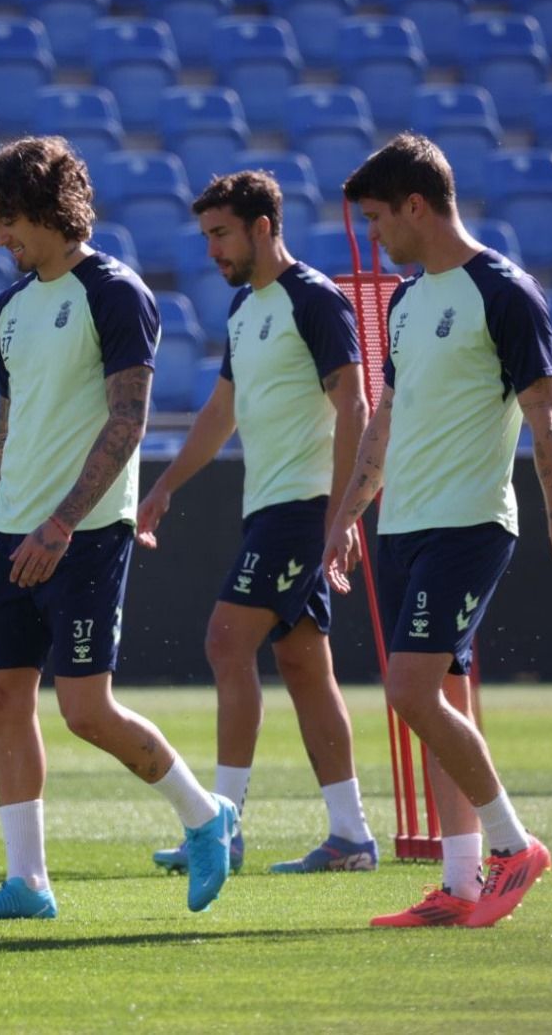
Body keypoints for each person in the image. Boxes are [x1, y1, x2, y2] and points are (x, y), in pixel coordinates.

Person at [0, 136, 236, 922]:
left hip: (84, 532)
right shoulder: (5, 307)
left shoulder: (116, 291)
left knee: (85, 711)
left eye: (6, 220)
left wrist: (60, 523)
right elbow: (10, 419)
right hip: (11, 531)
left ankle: (207, 818)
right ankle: (27, 883)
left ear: (45, 207)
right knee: (4, 697)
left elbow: (129, 419)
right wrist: (7, 504)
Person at [323, 133, 552, 928]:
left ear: (417, 205)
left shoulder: (505, 291)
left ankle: (515, 846)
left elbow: (546, 417)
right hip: (404, 524)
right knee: (441, 698)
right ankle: (460, 884)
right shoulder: (408, 300)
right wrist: (349, 513)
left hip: (470, 525)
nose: (374, 235)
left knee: (410, 691)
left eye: (379, 218)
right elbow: (384, 420)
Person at [136, 170, 380, 875]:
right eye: (207, 234)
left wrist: (344, 512)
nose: (212, 249)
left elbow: (356, 408)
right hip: (272, 510)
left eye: (221, 233)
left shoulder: (316, 299)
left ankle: (222, 827)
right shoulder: (246, 309)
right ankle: (351, 837)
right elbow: (221, 413)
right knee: (303, 666)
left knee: (224, 640)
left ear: (263, 227)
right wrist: (167, 488)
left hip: (303, 511)